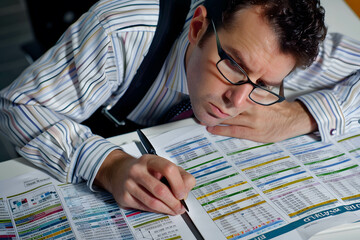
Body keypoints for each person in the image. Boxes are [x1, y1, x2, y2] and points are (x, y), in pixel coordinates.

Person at [1, 0, 359, 216]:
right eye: (234, 64)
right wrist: (106, 165)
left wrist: (300, 116)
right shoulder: (121, 29)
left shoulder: (286, 47)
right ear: (199, 26)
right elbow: (16, 106)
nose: (237, 101)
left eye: (263, 86)